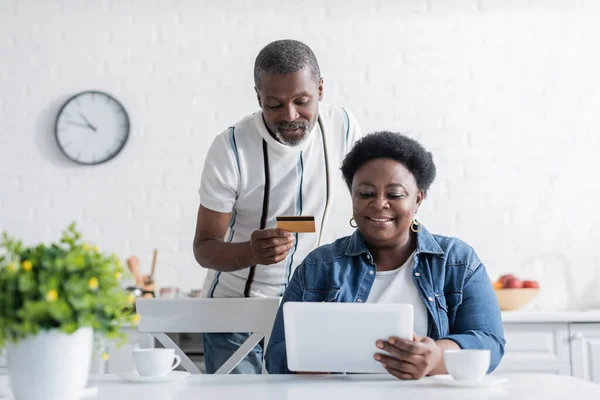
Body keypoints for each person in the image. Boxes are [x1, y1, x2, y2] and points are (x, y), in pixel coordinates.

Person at [265, 131, 505, 379]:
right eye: (366, 194)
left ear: (417, 199)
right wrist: (319, 358)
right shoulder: (318, 266)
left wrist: (436, 357)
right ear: (353, 198)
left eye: (394, 194)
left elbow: (489, 341)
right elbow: (275, 355)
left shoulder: (457, 261)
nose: (379, 203)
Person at [193, 39, 362, 374]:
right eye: (274, 104)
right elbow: (204, 249)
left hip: (314, 306)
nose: (290, 116)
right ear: (258, 98)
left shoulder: (343, 126)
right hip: (234, 313)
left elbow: (366, 198)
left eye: (302, 101)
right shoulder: (230, 148)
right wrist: (251, 252)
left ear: (321, 89)